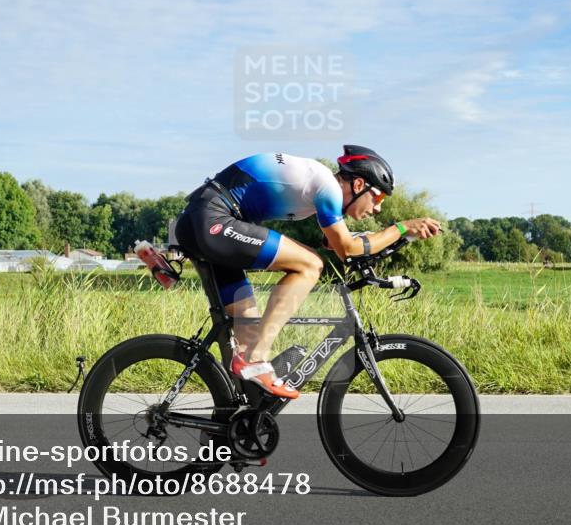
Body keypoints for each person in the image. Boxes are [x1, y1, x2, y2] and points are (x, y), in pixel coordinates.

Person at [174, 145, 442, 399]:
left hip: (201, 220)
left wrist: (394, 239)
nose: (378, 207)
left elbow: (336, 243)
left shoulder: (319, 190)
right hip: (214, 220)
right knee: (311, 265)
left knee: (246, 330)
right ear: (359, 185)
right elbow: (347, 249)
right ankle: (258, 359)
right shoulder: (328, 187)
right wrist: (402, 228)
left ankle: (234, 426)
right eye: (379, 197)